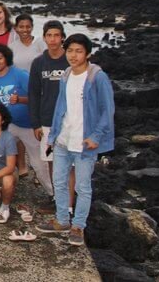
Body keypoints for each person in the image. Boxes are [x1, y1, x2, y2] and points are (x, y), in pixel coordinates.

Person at [37, 34, 115, 246]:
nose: (73, 55)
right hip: (63, 139)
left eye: (78, 51)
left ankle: (78, 226)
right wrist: (53, 135)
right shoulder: (67, 74)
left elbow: (107, 111)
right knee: (60, 182)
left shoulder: (97, 77)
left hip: (85, 143)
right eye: (70, 50)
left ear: (88, 53)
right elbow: (60, 107)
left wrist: (96, 136)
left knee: (82, 186)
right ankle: (62, 220)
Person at [0, 45, 53, 197]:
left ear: (7, 59)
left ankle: (54, 194)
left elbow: (39, 97)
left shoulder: (20, 75)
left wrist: (20, 99)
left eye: (0, 58)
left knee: (38, 163)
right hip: (8, 125)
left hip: (28, 125)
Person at [29, 20, 73, 214]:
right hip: (47, 122)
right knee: (52, 163)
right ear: (44, 37)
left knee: (70, 164)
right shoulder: (39, 63)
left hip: (70, 121)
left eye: (56, 35)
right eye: (49, 35)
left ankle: (69, 206)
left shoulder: (71, 60)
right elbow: (33, 93)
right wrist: (36, 123)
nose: (53, 39)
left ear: (62, 37)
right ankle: (57, 200)